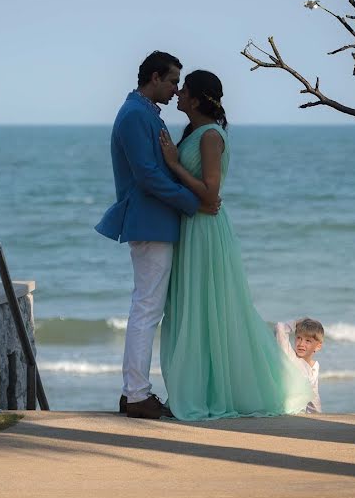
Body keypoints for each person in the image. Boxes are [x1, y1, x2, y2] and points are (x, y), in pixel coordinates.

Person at [158, 70, 313, 420]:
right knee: (190, 311)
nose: (178, 94)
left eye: (184, 90)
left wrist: (172, 165)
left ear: (197, 99)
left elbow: (211, 191)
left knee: (209, 310)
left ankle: (213, 392)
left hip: (205, 229)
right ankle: (195, 387)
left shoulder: (211, 136)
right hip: (191, 224)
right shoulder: (194, 133)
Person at [95, 51, 218, 420]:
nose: (176, 89)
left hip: (156, 221)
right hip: (149, 221)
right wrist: (193, 203)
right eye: (171, 81)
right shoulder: (134, 115)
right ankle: (136, 395)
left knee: (147, 308)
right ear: (153, 77)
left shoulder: (145, 113)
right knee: (146, 308)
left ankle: (133, 392)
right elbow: (148, 176)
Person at [274, 318, 324, 413]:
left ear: (318, 346)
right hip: (282, 410)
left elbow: (314, 396)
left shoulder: (315, 367)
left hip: (300, 414)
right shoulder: (288, 355)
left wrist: (318, 416)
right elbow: (279, 328)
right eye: (298, 338)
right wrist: (296, 323)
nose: (301, 344)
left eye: (308, 341)